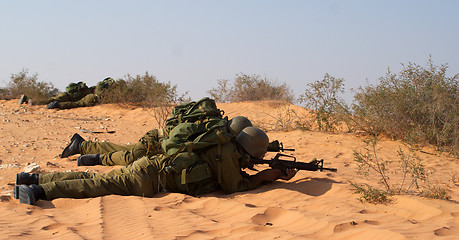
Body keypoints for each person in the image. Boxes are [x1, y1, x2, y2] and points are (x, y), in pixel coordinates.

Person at [14, 126, 297, 205]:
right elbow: (236, 186)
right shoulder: (229, 158)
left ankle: (31, 179)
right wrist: (267, 177)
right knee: (96, 185)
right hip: (149, 181)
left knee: (93, 177)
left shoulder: (218, 144)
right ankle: (39, 192)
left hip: (150, 166)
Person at [60, 116, 254, 166]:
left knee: (125, 148)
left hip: (161, 139)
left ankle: (82, 145)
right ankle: (97, 158)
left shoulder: (215, 126)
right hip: (158, 139)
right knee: (129, 158)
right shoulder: (216, 135)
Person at [19, 77, 116, 109]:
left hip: (67, 95)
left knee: (52, 98)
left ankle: (31, 100)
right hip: (75, 99)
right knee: (75, 104)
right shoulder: (93, 93)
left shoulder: (84, 89)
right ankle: (57, 105)